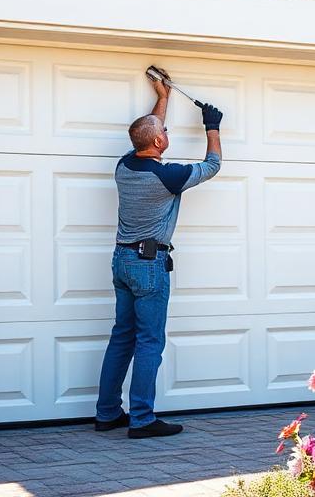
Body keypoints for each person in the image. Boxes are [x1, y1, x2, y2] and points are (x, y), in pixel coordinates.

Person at [94, 75, 222, 438]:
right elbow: (212, 165)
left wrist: (163, 97)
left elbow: (148, 131)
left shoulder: (124, 165)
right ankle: (142, 419)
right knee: (149, 340)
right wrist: (212, 127)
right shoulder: (167, 176)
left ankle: (107, 414)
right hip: (149, 266)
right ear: (158, 142)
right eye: (163, 132)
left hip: (122, 261)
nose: (167, 134)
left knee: (122, 336)